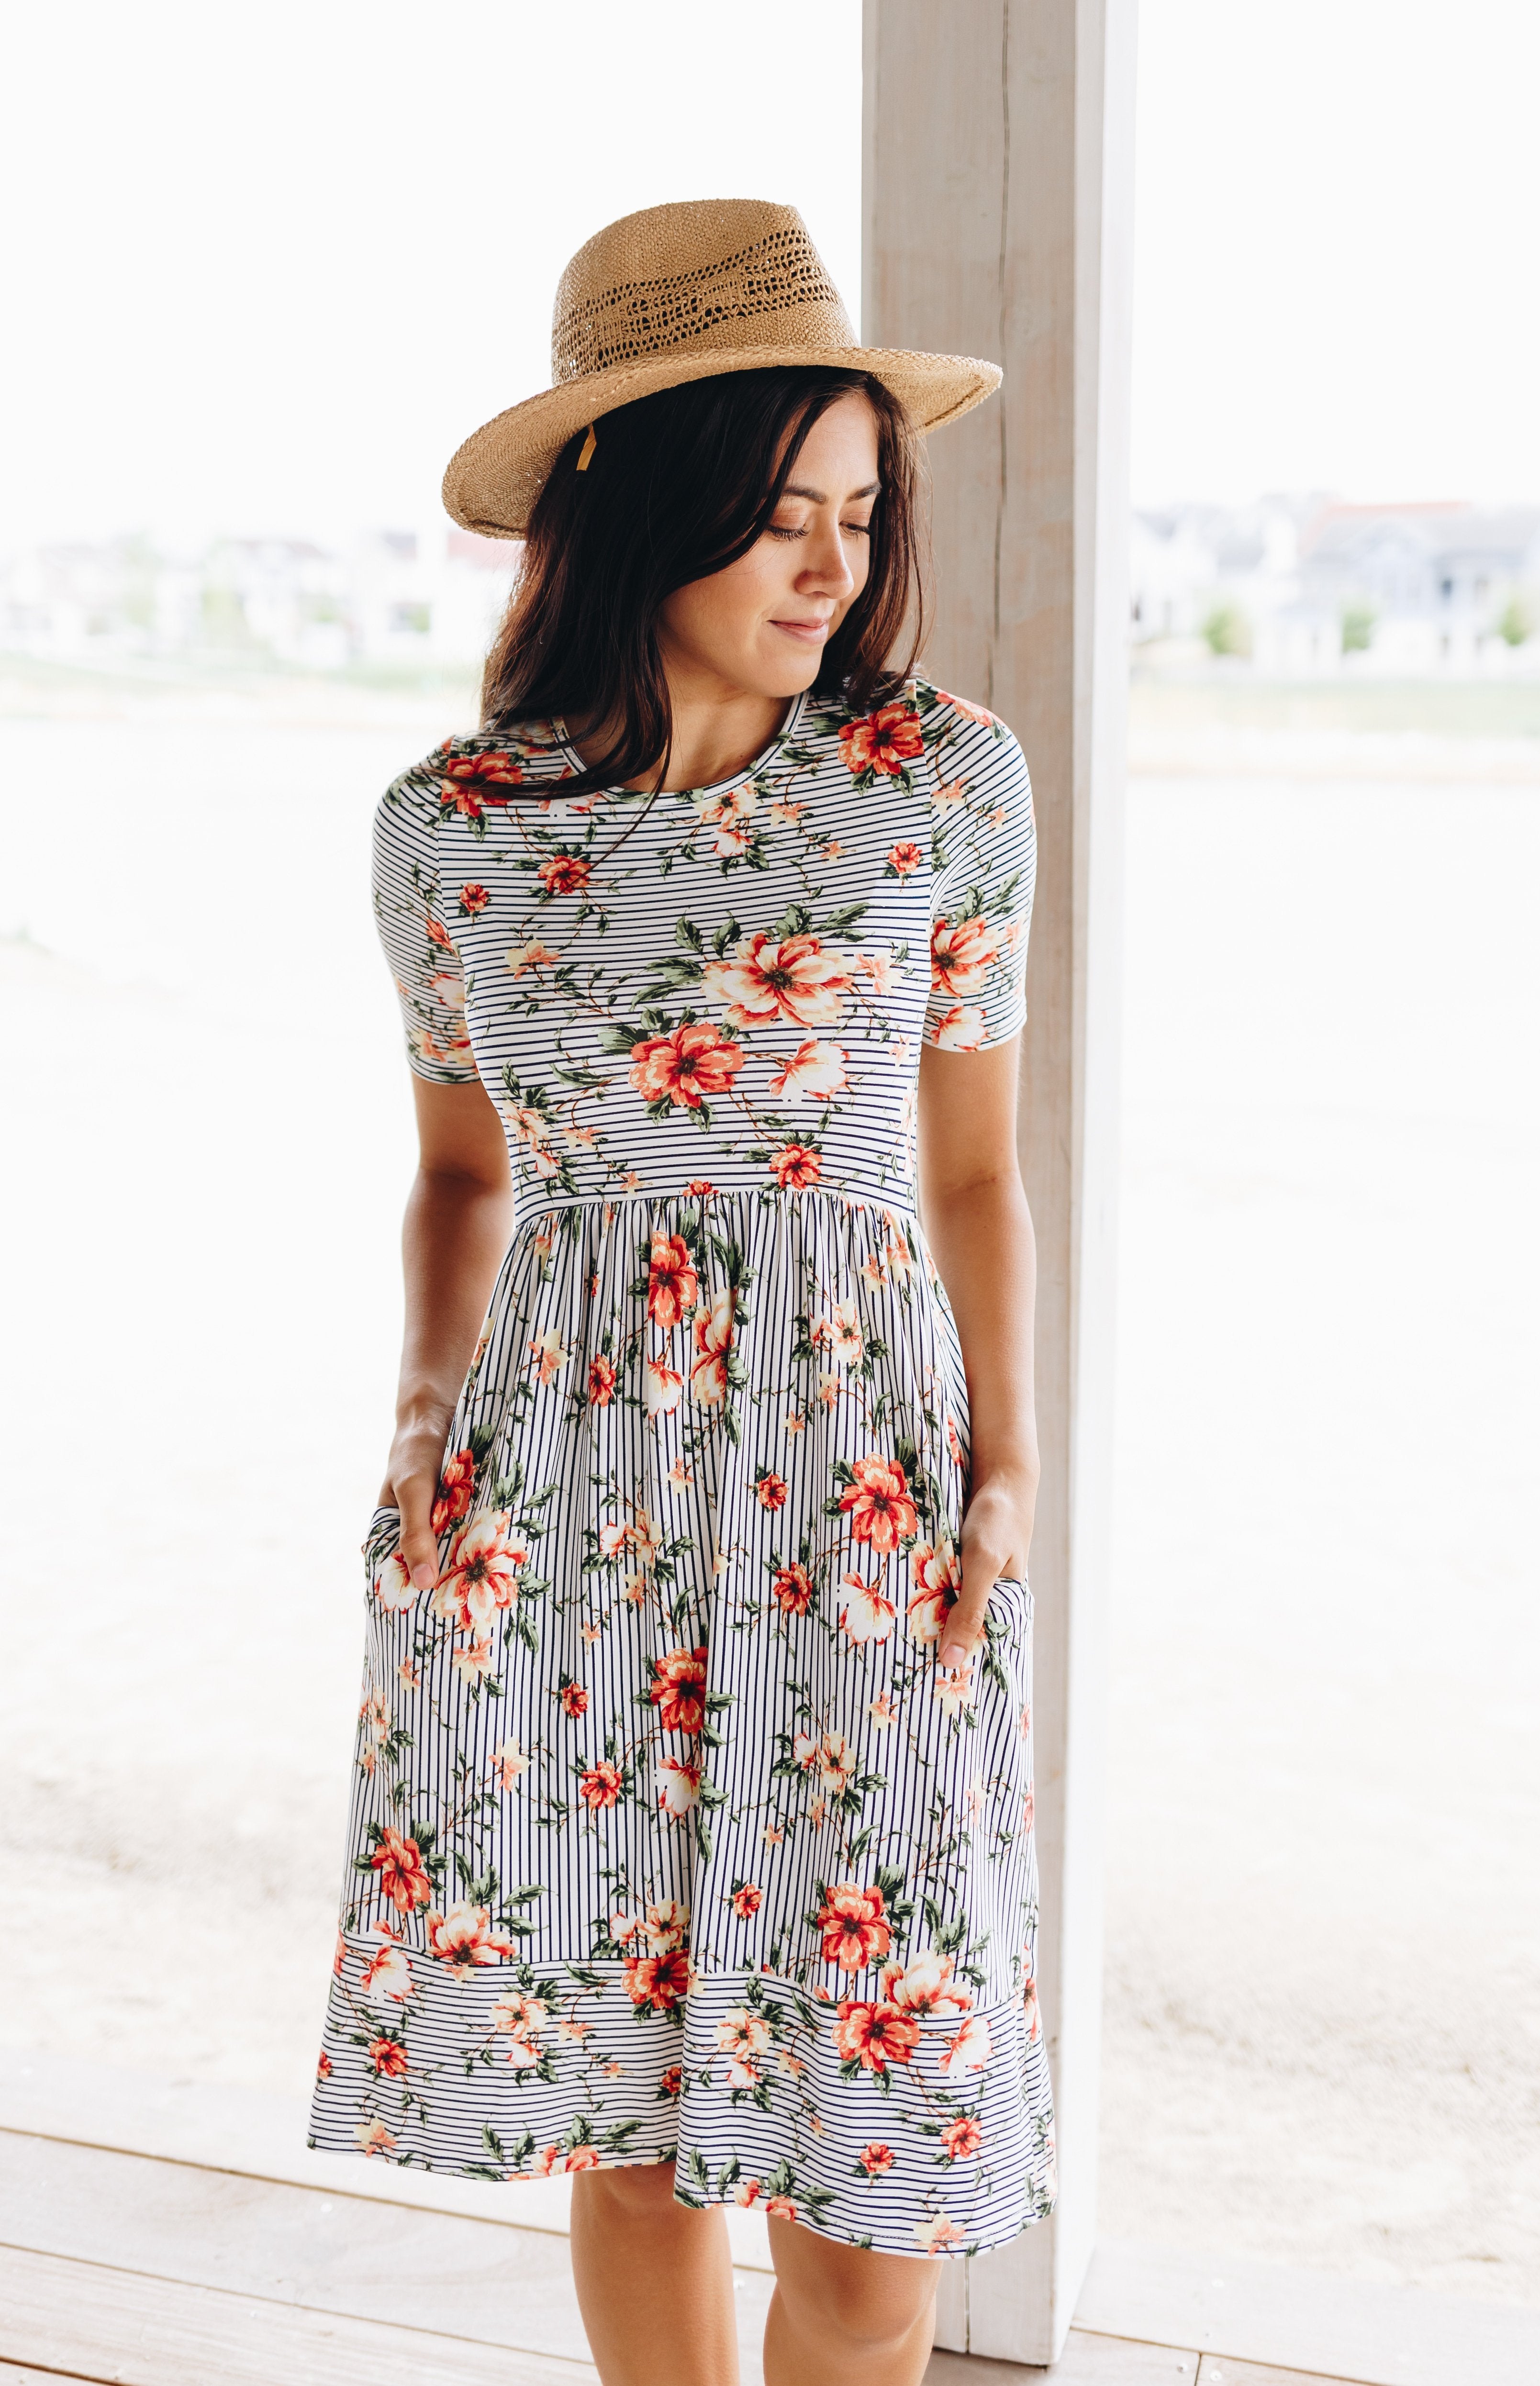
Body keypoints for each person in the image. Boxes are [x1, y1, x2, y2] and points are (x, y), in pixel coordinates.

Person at [309, 198, 1051, 2386]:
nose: (831, 568)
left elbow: (975, 1166)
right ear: (643, 512)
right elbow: (460, 1173)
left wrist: (1008, 1460)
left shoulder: (939, 781)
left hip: (862, 1473)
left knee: (876, 2144)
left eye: (857, 515)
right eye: (780, 517)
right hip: (553, 1486)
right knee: (628, 2109)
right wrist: (421, 1434)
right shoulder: (450, 824)